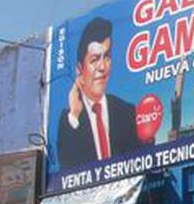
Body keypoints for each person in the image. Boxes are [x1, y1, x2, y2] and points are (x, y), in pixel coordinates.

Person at [58, 17, 144, 168]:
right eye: (94, 59)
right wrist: (74, 116)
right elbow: (67, 168)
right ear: (80, 69)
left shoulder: (126, 111)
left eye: (107, 57)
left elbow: (141, 162)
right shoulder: (69, 120)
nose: (103, 67)